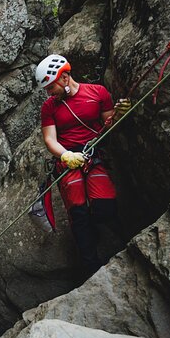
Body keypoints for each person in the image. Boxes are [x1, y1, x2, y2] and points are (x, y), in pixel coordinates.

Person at [35, 54, 131, 274]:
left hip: (93, 154)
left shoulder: (97, 93)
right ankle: (90, 265)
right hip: (68, 160)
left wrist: (119, 115)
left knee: (105, 207)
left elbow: (109, 125)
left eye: (51, 87)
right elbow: (50, 139)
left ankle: (115, 243)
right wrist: (66, 156)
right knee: (78, 214)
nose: (49, 93)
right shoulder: (49, 107)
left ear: (65, 77)